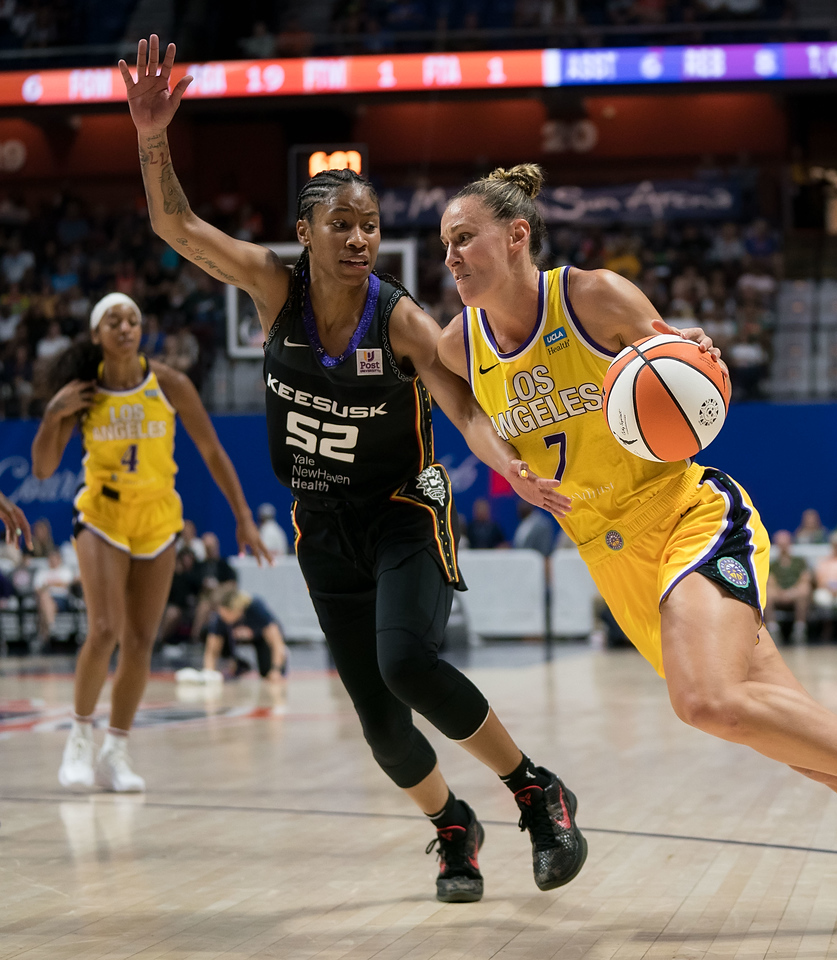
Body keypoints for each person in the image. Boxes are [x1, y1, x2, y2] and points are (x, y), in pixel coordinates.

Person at [438, 161, 837, 935]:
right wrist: (511, 470)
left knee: (703, 701)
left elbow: (686, 373)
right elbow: (461, 409)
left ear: (516, 233)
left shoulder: (591, 295)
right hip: (614, 558)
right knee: (800, 745)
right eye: (445, 246)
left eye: (465, 239)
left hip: (688, 515)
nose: (452, 257)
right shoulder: (461, 341)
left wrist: (702, 358)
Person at [124, 36, 587, 903]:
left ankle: (534, 790)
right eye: (341, 223)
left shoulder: (402, 319)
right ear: (304, 234)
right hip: (321, 527)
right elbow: (173, 226)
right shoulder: (274, 289)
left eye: (370, 224)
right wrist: (153, 135)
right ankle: (455, 827)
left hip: (404, 510)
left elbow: (467, 412)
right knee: (381, 729)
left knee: (408, 665)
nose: (359, 237)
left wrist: (511, 469)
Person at [32, 290, 270, 793]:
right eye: (114, 320)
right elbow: (43, 468)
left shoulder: (169, 383)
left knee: (141, 641)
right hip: (102, 513)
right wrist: (53, 415)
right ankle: (79, 736)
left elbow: (212, 451)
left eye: (133, 319)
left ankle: (115, 752)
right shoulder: (83, 391)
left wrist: (243, 517)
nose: (125, 327)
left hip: (159, 515)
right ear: (97, 333)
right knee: (103, 628)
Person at [203, 586, 288, 680]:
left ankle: (279, 662)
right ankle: (237, 664)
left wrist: (276, 670)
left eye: (226, 612)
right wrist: (209, 673)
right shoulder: (221, 618)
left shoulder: (255, 607)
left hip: (260, 638)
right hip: (234, 640)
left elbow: (277, 642)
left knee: (267, 672)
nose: (223, 616)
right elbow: (211, 650)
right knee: (209, 633)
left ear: (236, 608)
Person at [765, 529, 811, 644]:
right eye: (780, 544)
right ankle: (773, 629)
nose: (783, 547)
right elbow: (771, 581)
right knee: (767, 592)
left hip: (795, 592)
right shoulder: (772, 564)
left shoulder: (799, 561)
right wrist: (781, 592)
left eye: (785, 544)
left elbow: (805, 578)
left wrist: (792, 591)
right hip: (778, 593)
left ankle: (799, 629)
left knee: (804, 590)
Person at [33, 548, 76, 645]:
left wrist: (48, 585)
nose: (52, 560)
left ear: (59, 559)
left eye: (54, 558)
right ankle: (51, 628)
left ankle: (44, 634)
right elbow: (37, 589)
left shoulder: (65, 570)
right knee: (44, 598)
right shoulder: (42, 572)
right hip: (45, 598)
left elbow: (66, 584)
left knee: (43, 602)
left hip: (61, 599)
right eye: (50, 558)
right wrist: (51, 585)